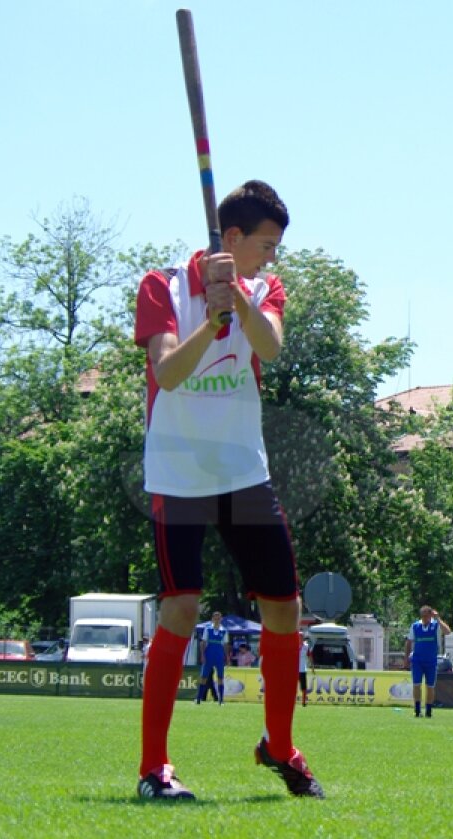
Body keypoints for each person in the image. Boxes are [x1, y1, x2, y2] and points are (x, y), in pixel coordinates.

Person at [133, 180, 323, 800]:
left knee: (283, 608)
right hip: (178, 473)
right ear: (232, 237)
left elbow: (270, 345)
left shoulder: (264, 289)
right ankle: (154, 769)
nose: (273, 258)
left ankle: (279, 745)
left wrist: (238, 305)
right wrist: (210, 319)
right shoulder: (162, 285)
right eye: (266, 245)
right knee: (181, 609)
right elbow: (167, 371)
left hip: (244, 471)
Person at [405, 605, 451, 718]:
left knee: (430, 686)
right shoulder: (415, 626)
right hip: (417, 660)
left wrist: (438, 619)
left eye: (427, 615)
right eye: (423, 616)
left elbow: (448, 631)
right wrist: (406, 659)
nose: (425, 618)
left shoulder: (436, 626)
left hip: (431, 661)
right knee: (417, 685)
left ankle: (429, 711)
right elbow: (409, 642)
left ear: (431, 615)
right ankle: (417, 710)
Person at [195, 611, 230, 704]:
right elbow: (203, 642)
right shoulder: (208, 629)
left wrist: (227, 657)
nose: (217, 620)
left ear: (221, 619)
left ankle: (221, 700)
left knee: (220, 677)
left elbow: (226, 644)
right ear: (212, 619)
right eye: (215, 618)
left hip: (219, 654)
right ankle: (198, 698)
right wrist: (202, 655)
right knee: (204, 676)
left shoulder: (224, 630)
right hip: (209, 654)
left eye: (218, 618)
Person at [298, 637, 312, 706]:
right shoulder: (294, 645)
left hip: (303, 670)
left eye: (301, 637)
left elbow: (310, 656)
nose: (299, 638)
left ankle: (303, 702)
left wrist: (312, 667)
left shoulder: (306, 647)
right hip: (294, 670)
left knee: (304, 688)